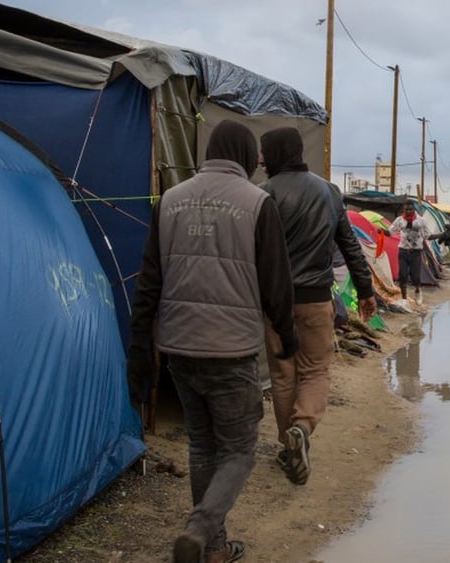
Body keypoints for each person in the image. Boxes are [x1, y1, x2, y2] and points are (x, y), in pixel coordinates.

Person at [127, 119, 299, 563]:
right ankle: (201, 529)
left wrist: (140, 349)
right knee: (240, 448)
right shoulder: (258, 203)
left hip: (179, 348)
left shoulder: (169, 200)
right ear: (244, 156)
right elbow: (277, 286)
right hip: (231, 350)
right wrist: (288, 337)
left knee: (202, 444)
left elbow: (148, 284)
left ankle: (215, 548)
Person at [258, 127, 377, 486]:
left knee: (283, 374)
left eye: (265, 153)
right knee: (315, 371)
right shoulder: (329, 192)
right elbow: (350, 246)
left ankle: (288, 445)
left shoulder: (264, 194)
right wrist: (367, 291)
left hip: (274, 302)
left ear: (277, 153)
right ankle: (302, 429)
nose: (262, 160)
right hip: (315, 300)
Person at [379, 200, 443, 302]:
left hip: (416, 253)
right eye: (406, 209)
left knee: (415, 277)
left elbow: (428, 236)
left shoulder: (421, 221)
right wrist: (382, 231)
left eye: (410, 209)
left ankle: (418, 290)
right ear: (403, 210)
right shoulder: (399, 220)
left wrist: (442, 235)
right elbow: (390, 233)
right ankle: (404, 298)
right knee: (403, 275)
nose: (408, 211)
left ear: (414, 209)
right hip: (403, 251)